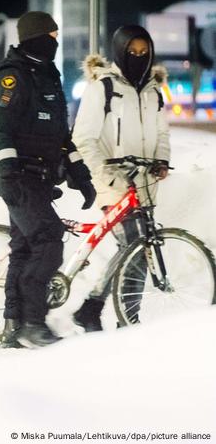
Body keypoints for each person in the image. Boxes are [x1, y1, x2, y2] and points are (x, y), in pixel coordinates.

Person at [0, 11, 96, 348]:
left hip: (42, 177)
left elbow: (61, 136)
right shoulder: (13, 78)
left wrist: (81, 176)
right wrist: (8, 173)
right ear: (34, 37)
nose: (55, 41)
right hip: (20, 177)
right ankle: (33, 323)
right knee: (49, 239)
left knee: (24, 250)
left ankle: (13, 326)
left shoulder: (47, 76)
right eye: (51, 35)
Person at [70, 25, 170, 330]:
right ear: (120, 51)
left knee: (140, 250)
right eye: (132, 52)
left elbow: (162, 132)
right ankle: (112, 314)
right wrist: (106, 175)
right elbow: (83, 138)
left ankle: (113, 313)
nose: (138, 57)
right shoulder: (104, 87)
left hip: (143, 183)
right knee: (135, 247)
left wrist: (162, 160)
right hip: (111, 181)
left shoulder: (153, 90)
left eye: (144, 52)